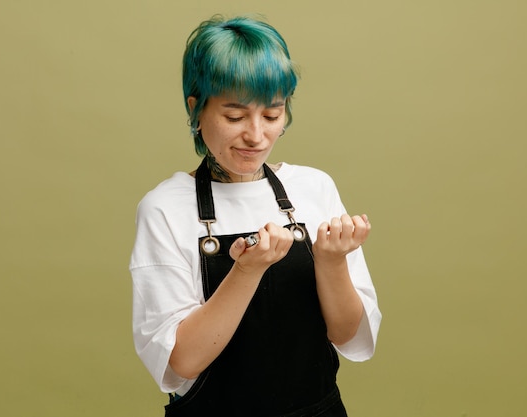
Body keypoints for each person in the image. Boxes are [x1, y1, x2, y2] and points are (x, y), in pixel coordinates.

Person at [130, 15, 382, 417]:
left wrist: (332, 262)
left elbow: (346, 334)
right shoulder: (165, 208)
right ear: (196, 109)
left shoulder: (314, 188)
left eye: (272, 114)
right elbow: (182, 361)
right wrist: (246, 272)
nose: (256, 135)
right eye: (234, 117)